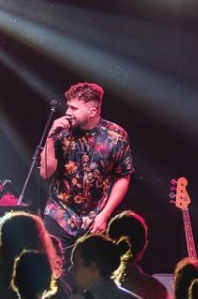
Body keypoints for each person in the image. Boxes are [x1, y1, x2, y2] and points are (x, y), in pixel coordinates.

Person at [39, 82, 134, 256]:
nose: (68, 112)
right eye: (68, 106)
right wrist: (50, 139)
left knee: (89, 270)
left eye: (74, 108)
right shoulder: (62, 132)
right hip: (59, 215)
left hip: (94, 220)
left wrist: (105, 215)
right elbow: (45, 173)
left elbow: (123, 177)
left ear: (92, 111)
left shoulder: (116, 136)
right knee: (53, 268)